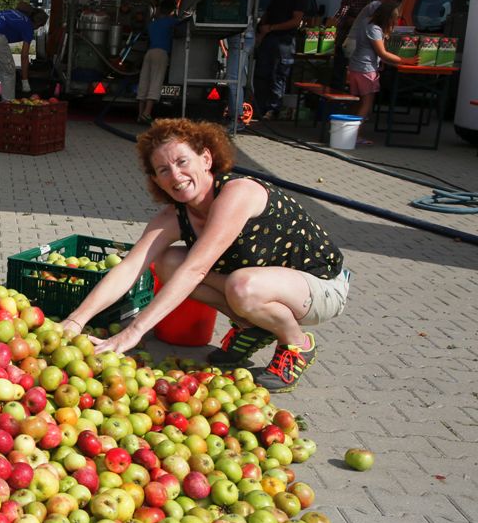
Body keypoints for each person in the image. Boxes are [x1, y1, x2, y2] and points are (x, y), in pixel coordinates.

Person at [59, 119, 349, 393]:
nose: (175, 175)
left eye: (182, 162)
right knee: (168, 262)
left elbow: (196, 270)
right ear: (157, 181)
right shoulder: (173, 217)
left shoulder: (238, 193)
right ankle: (254, 326)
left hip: (320, 286)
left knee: (241, 286)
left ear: (207, 159)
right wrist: (75, 320)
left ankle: (297, 344)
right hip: (262, 285)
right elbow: (131, 267)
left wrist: (134, 331)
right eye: (163, 170)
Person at [347, 2, 418, 143]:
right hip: (366, 69)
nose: (395, 22)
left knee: (357, 102)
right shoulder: (374, 29)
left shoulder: (365, 22)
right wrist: (406, 60)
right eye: (394, 19)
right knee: (366, 103)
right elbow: (382, 53)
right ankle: (353, 136)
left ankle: (348, 132)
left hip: (355, 66)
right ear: (388, 18)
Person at [253, 0, 309, 119]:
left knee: (278, 75)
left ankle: (273, 108)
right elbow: (268, 12)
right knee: (261, 74)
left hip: (284, 39)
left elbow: (296, 21)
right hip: (268, 37)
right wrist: (261, 29)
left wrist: (271, 27)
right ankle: (259, 107)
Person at [0, 6, 50, 116]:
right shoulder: (28, 27)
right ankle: (7, 108)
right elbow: (24, 56)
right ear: (38, 24)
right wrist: (24, 80)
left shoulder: (18, 14)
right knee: (8, 71)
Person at [215, 0, 255, 128]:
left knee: (233, 79)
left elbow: (222, 9)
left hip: (240, 39)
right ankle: (235, 115)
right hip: (244, 38)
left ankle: (237, 118)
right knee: (238, 78)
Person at [329, 0, 379, 89]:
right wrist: (358, 21)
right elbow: (342, 18)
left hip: (365, 41)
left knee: (361, 72)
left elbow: (376, 19)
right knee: (339, 69)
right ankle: (336, 95)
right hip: (346, 38)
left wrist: (355, 19)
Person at [136, 0, 183, 124]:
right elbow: (182, 26)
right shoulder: (171, 21)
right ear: (172, 11)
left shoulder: (153, 24)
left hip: (149, 53)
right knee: (155, 82)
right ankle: (147, 114)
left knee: (144, 81)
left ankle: (140, 114)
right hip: (161, 53)